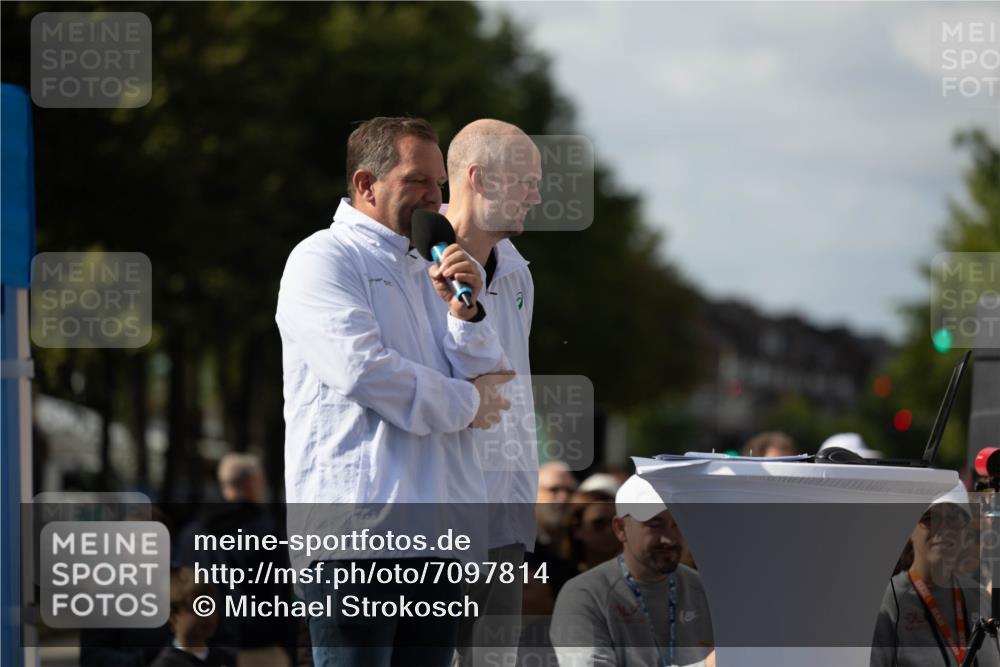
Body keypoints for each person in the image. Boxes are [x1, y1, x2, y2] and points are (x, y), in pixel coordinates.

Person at [275, 116, 514, 667]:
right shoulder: (323, 259)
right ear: (366, 184)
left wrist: (468, 310)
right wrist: (467, 404)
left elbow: (496, 381)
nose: (436, 197)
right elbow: (364, 371)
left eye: (440, 184)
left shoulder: (436, 264)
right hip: (358, 541)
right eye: (418, 182)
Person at [440, 119, 543, 665]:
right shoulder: (411, 266)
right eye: (526, 179)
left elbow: (511, 388)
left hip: (504, 515)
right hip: (440, 516)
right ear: (479, 178)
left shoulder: (520, 272)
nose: (537, 194)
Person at [550, 475, 715, 667]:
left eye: (678, 524)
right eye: (655, 525)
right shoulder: (584, 594)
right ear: (620, 528)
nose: (669, 539)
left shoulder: (703, 589)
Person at [175, 453, 295, 667]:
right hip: (260, 649)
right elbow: (281, 593)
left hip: (204, 651)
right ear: (251, 483)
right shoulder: (268, 531)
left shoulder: (191, 534)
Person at [871, 483, 999, 667]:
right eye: (930, 517)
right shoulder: (885, 602)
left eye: (954, 517)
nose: (943, 528)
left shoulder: (981, 597)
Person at [150, 569, 235, 667]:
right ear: (173, 615)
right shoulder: (165, 664)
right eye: (198, 609)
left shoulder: (224, 659)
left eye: (211, 607)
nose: (208, 615)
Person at [559, 490, 620, 573]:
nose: (610, 530)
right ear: (577, 529)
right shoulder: (558, 576)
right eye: (599, 524)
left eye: (616, 523)